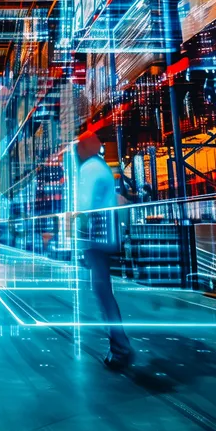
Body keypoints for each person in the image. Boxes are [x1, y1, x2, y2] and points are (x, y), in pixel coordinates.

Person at [76, 132, 133, 370]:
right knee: (102, 289)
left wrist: (79, 233)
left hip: (96, 237)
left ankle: (121, 348)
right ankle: (119, 346)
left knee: (102, 290)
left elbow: (85, 205)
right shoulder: (101, 167)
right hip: (105, 235)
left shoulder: (89, 168)